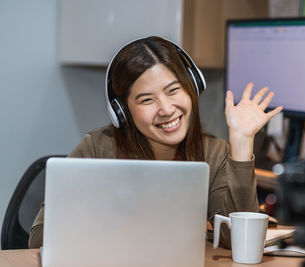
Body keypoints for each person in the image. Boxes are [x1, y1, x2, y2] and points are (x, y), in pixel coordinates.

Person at [28, 36, 282, 249]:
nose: (166, 109)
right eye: (146, 100)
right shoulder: (97, 148)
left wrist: (241, 141)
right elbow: (40, 237)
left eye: (173, 90)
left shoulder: (213, 153)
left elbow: (238, 242)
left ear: (192, 88)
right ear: (122, 111)